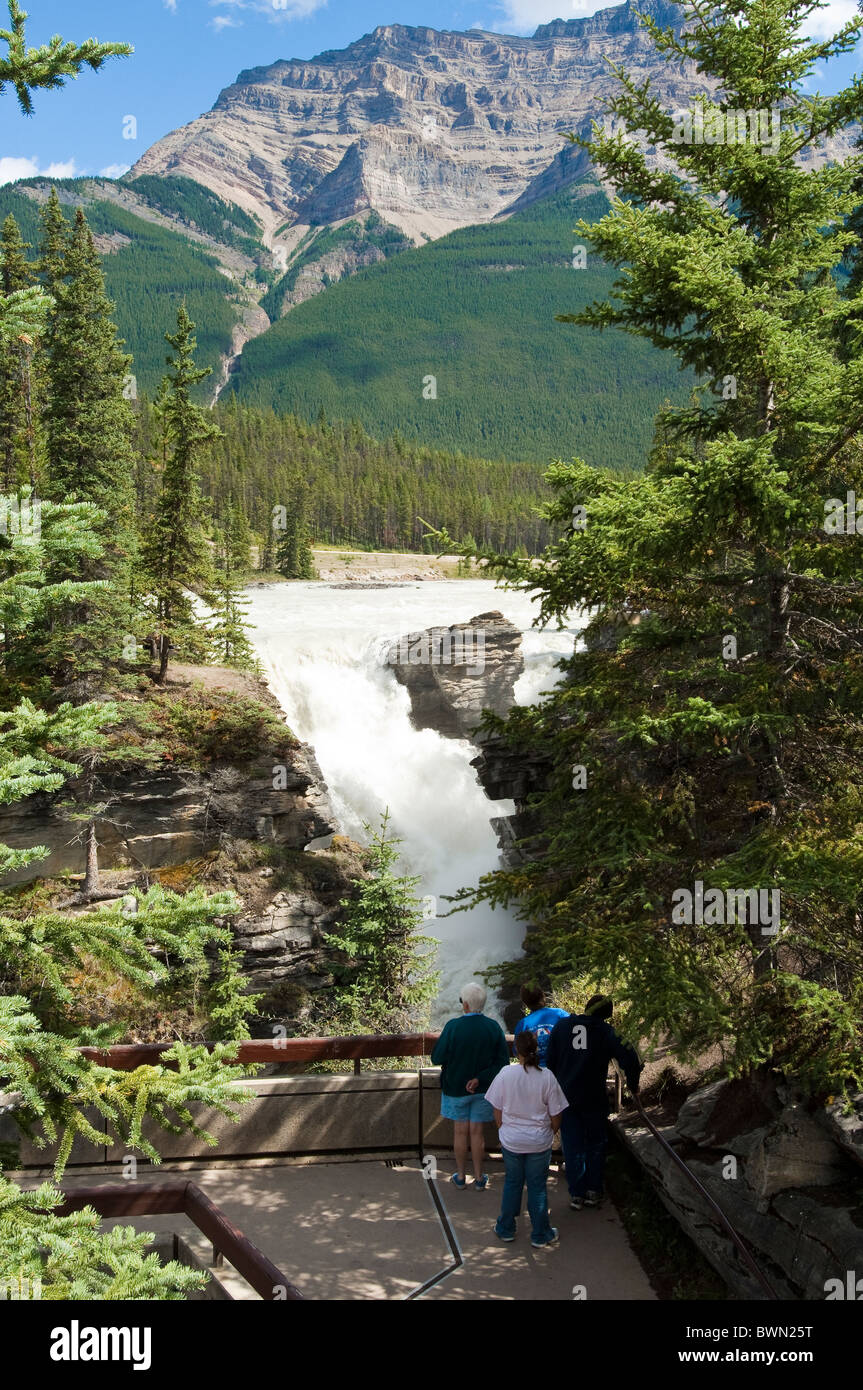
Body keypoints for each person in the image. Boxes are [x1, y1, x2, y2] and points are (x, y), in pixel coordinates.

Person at [546, 994, 641, 1211]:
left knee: (572, 1144)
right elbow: (630, 1058)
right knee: (596, 1142)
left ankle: (576, 1194)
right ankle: (593, 1190)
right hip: (593, 1097)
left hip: (565, 1097)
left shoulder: (562, 1027)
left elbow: (550, 1062)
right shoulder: (605, 1032)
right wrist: (633, 1085)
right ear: (607, 1015)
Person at [485, 1030, 568, 1248]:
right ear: (537, 1049)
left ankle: (506, 1229)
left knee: (512, 1183)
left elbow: (496, 1107)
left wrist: (502, 1128)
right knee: (537, 1186)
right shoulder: (547, 1076)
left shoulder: (505, 1073)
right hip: (539, 1141)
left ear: (515, 1051)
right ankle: (540, 1234)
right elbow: (557, 1113)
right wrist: (550, 1131)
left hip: (511, 1140)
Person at [431, 982, 509, 1190]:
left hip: (456, 1088)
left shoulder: (453, 1027)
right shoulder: (493, 1027)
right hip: (484, 1090)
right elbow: (502, 1063)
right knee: (477, 1133)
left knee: (460, 1132)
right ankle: (479, 1177)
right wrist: (480, 1078)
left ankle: (460, 1176)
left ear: (464, 1005)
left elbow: (436, 1057)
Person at [512, 983, 568, 1068]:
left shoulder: (522, 1024)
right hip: (561, 1067)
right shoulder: (559, 1014)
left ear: (525, 1002)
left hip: (536, 1071)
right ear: (543, 996)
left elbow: (517, 1052)